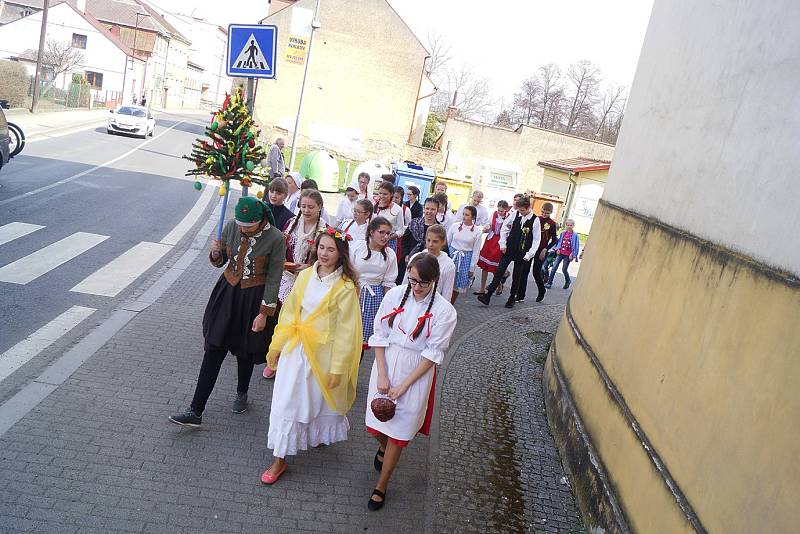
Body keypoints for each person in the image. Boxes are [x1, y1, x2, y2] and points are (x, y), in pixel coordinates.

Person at [169, 197, 286, 427]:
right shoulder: (232, 225)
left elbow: (274, 277)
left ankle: (242, 393)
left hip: (254, 298)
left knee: (245, 350)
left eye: (248, 226)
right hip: (227, 292)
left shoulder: (275, 238)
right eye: (240, 224)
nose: (242, 229)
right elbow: (221, 260)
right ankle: (196, 409)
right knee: (213, 346)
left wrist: (264, 312)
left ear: (260, 220)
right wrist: (215, 253)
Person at [261, 229, 363, 484]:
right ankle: (280, 458)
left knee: (317, 399)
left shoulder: (345, 288)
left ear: (340, 254)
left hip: (323, 356)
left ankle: (316, 433)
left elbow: (346, 332)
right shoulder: (305, 275)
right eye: (321, 247)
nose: (324, 253)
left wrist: (338, 368)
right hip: (295, 352)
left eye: (331, 249)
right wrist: (278, 345)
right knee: (286, 402)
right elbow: (288, 314)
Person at [364, 253, 457, 511]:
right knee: (375, 425)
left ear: (434, 281)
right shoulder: (395, 295)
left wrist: (404, 385)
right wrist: (383, 374)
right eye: (412, 280)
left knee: (399, 434)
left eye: (422, 283)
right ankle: (383, 450)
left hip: (416, 372)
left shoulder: (444, 311)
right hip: (386, 363)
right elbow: (380, 334)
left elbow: (432, 354)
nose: (416, 288)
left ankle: (382, 485)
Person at [476, 196, 541, 309]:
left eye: (522, 210)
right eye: (519, 210)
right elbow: (505, 228)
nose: (520, 212)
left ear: (528, 208)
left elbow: (536, 240)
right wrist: (503, 244)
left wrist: (529, 254)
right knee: (499, 271)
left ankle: (511, 298)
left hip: (522, 252)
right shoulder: (515, 214)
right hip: (509, 248)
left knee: (517, 276)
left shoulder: (535, 220)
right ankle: (488, 295)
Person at [349, 217, 398, 350]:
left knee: (361, 341)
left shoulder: (389, 254)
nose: (385, 236)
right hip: (354, 291)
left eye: (388, 233)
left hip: (373, 297)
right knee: (347, 333)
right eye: (381, 232)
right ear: (371, 232)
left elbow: (388, 283)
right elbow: (347, 270)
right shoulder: (358, 247)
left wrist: (389, 308)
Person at [279, 189, 328, 303]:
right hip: (285, 279)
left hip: (310, 281)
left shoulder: (325, 231)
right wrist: (282, 260)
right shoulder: (291, 223)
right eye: (303, 206)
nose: (306, 210)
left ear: (319, 206)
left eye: (311, 207)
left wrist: (309, 267)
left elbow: (328, 260)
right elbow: (279, 247)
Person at [404, 224, 455, 299]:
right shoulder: (416, 257)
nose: (430, 244)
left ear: (443, 242)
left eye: (435, 241)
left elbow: (447, 293)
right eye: (428, 240)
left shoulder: (448, 264)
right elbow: (405, 282)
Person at [397, 196, 439, 284]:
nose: (429, 212)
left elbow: (441, 247)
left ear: (437, 210)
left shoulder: (438, 228)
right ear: (423, 209)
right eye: (427, 208)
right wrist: (406, 255)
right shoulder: (414, 223)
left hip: (428, 262)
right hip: (411, 259)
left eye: (432, 209)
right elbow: (405, 240)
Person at [446, 205, 483, 304]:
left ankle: (450, 305)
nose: (464, 216)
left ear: (473, 217)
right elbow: (447, 242)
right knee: (446, 281)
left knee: (456, 286)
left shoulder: (477, 232)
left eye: (467, 215)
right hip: (452, 255)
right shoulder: (455, 226)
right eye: (463, 214)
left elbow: (476, 251)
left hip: (465, 259)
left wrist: (472, 268)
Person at [474, 200, 510, 296]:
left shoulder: (508, 217)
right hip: (490, 241)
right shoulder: (494, 214)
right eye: (499, 210)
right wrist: (487, 227)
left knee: (495, 268)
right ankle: (482, 288)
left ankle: (498, 286)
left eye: (502, 211)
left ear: (506, 210)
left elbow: (508, 231)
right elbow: (489, 223)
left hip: (499, 243)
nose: (500, 212)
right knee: (484, 266)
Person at [524, 202, 558, 303]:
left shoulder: (552, 223)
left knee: (536, 272)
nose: (544, 214)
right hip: (532, 249)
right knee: (524, 270)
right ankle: (521, 293)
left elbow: (554, 240)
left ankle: (541, 290)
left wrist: (546, 249)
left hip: (541, 250)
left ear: (551, 212)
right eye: (543, 212)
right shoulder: (536, 219)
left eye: (547, 213)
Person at [545, 219, 580, 290]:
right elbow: (559, 242)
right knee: (554, 268)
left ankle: (568, 280)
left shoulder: (575, 235)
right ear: (566, 225)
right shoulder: (563, 233)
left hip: (568, 255)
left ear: (573, 226)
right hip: (560, 253)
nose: (569, 226)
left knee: (564, 269)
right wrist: (558, 249)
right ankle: (549, 283)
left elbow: (576, 246)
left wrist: (573, 254)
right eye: (568, 225)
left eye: (571, 225)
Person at [374, 182, 405, 253]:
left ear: (391, 194)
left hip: (389, 243)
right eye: (380, 193)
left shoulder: (398, 209)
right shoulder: (374, 205)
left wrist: (390, 237)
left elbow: (401, 230)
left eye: (385, 194)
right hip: (373, 241)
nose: (381, 196)